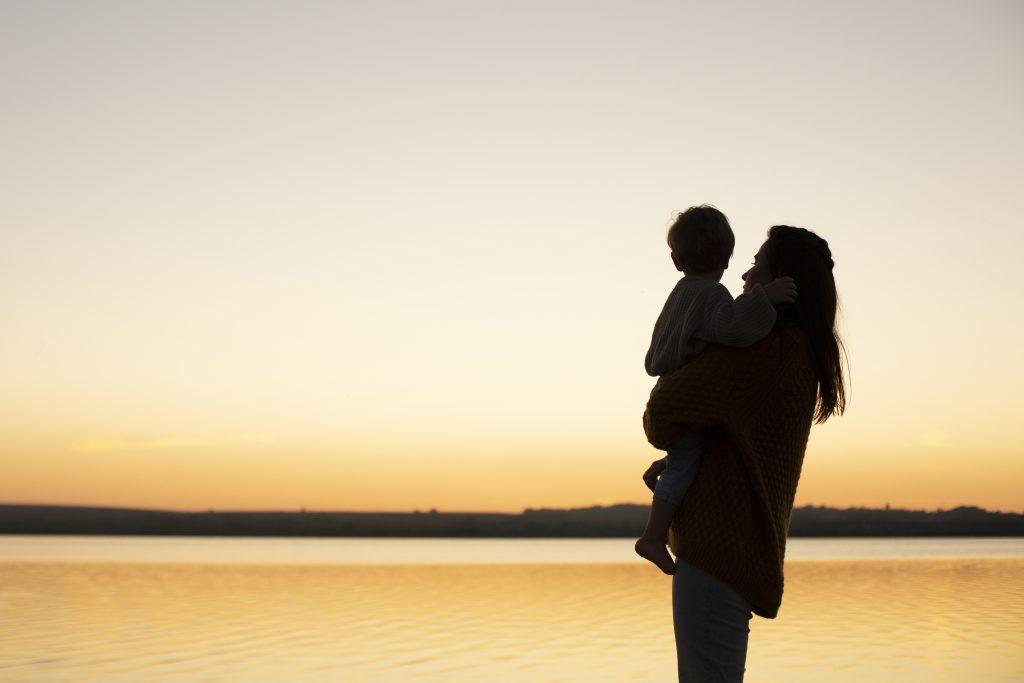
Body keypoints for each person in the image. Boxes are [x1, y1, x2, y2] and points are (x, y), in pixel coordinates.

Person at [642, 225, 846, 681]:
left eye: (757, 265)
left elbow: (663, 413)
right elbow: (739, 435)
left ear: (783, 280)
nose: (745, 276)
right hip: (737, 547)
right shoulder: (793, 353)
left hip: (718, 548)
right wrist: (686, 460)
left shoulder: (767, 353)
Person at [635, 205, 797, 575]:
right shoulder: (712, 295)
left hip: (671, 387)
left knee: (683, 460)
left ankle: (658, 517)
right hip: (687, 397)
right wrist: (765, 297)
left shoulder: (680, 294)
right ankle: (653, 535)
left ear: (677, 260)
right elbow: (732, 330)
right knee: (685, 462)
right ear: (726, 255)